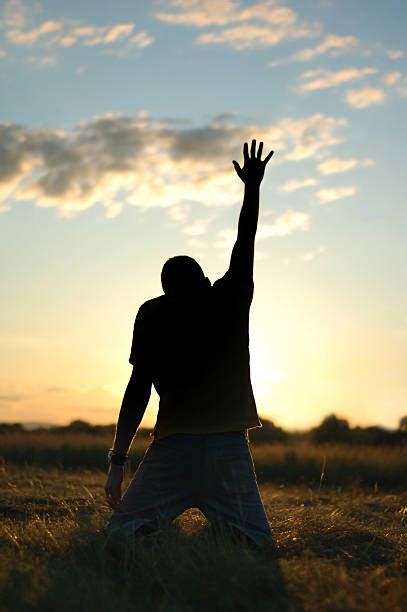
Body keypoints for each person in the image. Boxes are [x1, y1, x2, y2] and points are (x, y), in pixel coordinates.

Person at [104, 140, 277, 551]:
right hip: (227, 447)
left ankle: (155, 537)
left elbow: (137, 390)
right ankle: (226, 535)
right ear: (203, 282)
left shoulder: (153, 313)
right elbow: (245, 240)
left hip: (174, 447)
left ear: (165, 292)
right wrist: (252, 188)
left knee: (120, 537)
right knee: (256, 546)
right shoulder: (227, 297)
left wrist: (117, 461)